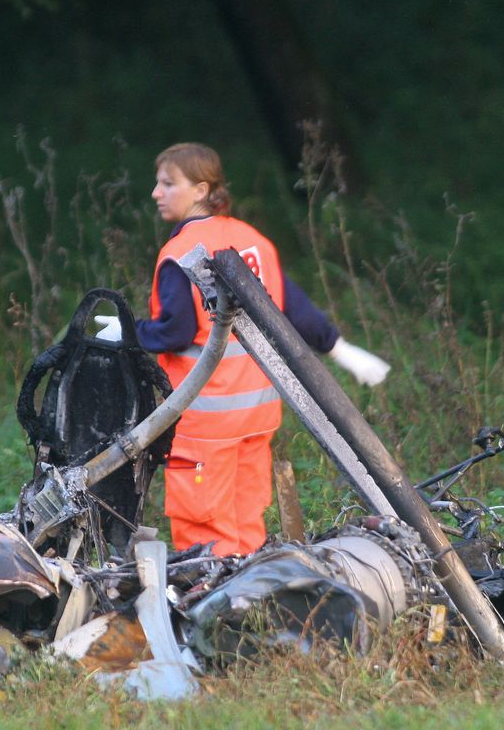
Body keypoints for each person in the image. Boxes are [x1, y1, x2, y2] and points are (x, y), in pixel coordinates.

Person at [96, 142, 389, 556]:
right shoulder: (250, 240)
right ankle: (252, 600)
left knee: (204, 528)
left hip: (205, 424)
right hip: (255, 419)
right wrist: (341, 349)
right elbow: (294, 308)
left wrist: (125, 332)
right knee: (245, 519)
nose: (155, 193)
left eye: (167, 184)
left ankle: (212, 609)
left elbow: (176, 332)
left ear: (200, 190)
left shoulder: (181, 254)